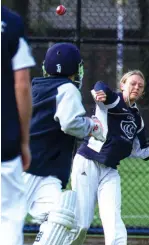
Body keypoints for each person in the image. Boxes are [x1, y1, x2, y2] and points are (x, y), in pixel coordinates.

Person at [70, 70, 149, 245]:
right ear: (122, 85)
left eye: (140, 86)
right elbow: (100, 86)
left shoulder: (138, 119)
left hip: (110, 171)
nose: (136, 87)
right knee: (81, 225)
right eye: (132, 83)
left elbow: (141, 151)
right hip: (88, 163)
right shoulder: (113, 100)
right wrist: (98, 92)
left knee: (115, 226)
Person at [22, 42, 105, 245]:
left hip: (43, 172)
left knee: (67, 217)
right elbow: (70, 123)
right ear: (76, 70)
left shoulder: (35, 87)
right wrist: (93, 126)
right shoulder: (67, 89)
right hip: (31, 167)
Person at [1, 6, 36, 245]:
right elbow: (22, 84)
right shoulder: (10, 23)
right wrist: (24, 141)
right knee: (8, 219)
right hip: (4, 141)